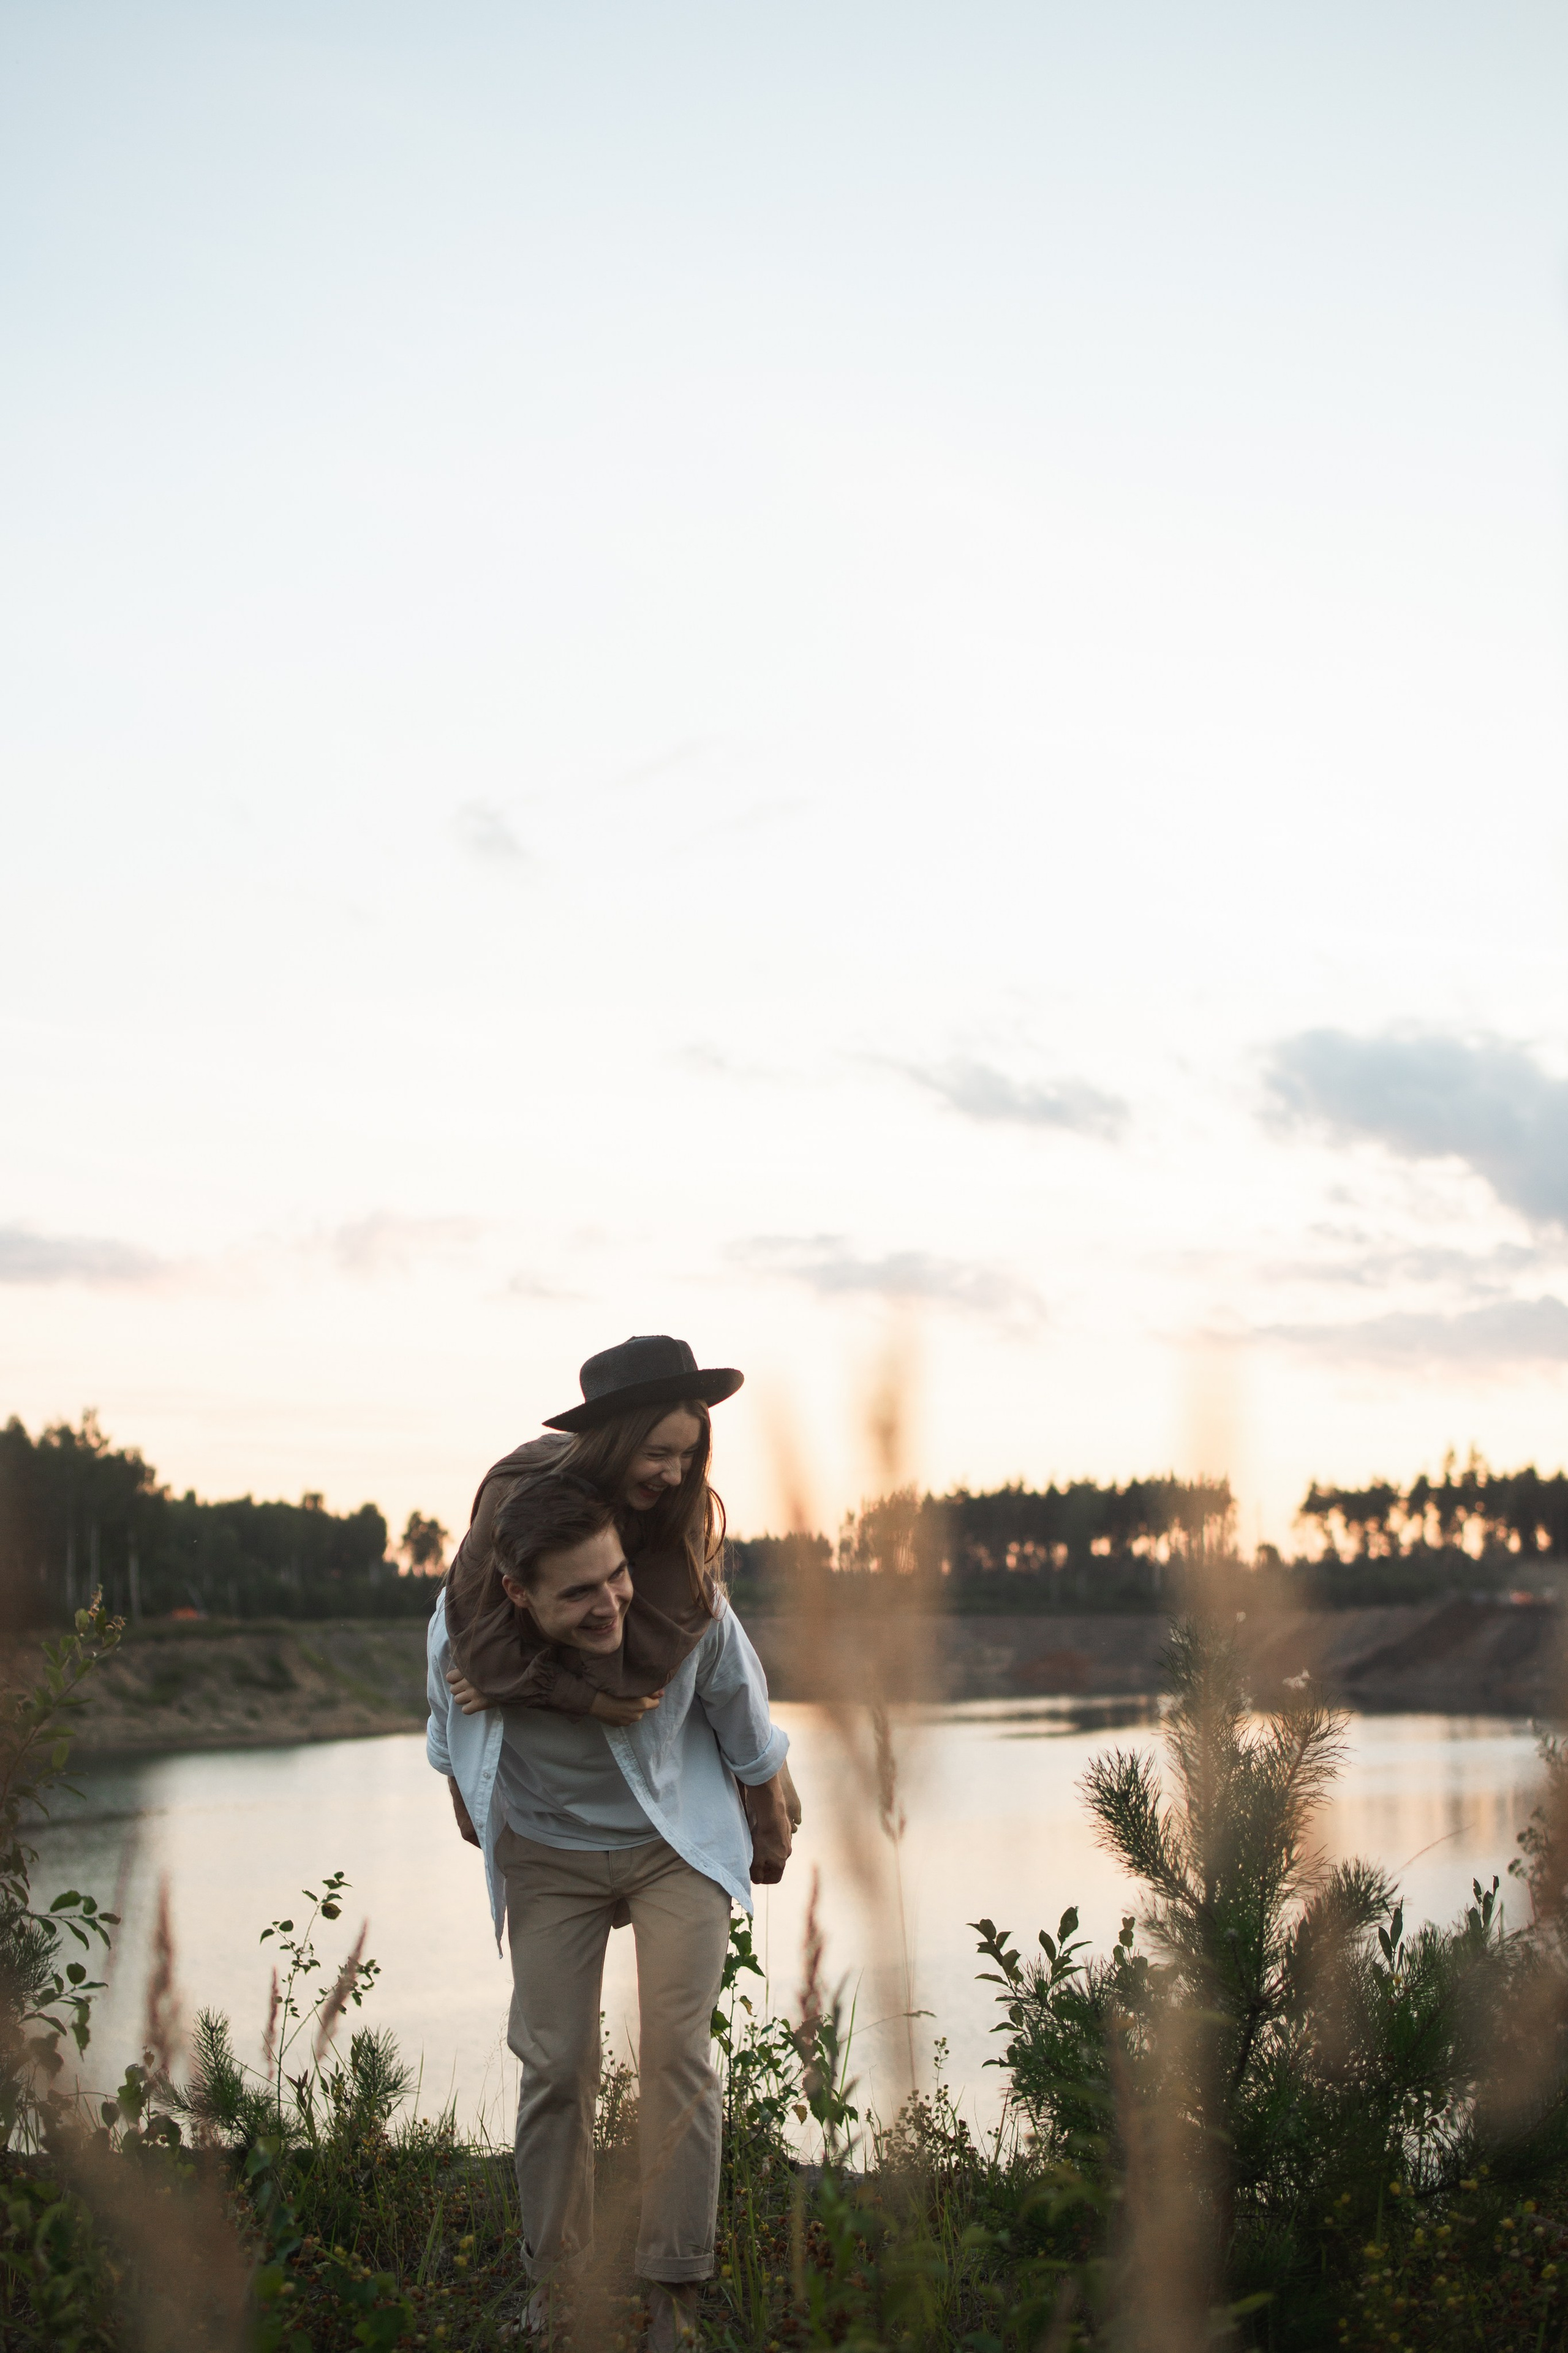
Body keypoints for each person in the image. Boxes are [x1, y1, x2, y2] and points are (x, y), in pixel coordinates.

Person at [426, 1338, 798, 2349]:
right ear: (519, 1591)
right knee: (555, 2066)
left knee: (678, 2054)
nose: (675, 1473)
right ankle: (559, 2292)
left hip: (674, 1839)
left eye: (691, 1452)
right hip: (549, 1849)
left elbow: (734, 1689)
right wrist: (466, 1782)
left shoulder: (678, 1584)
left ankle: (674, 2293)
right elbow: (444, 1703)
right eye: (660, 1450)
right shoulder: (485, 1593)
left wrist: (769, 1797)